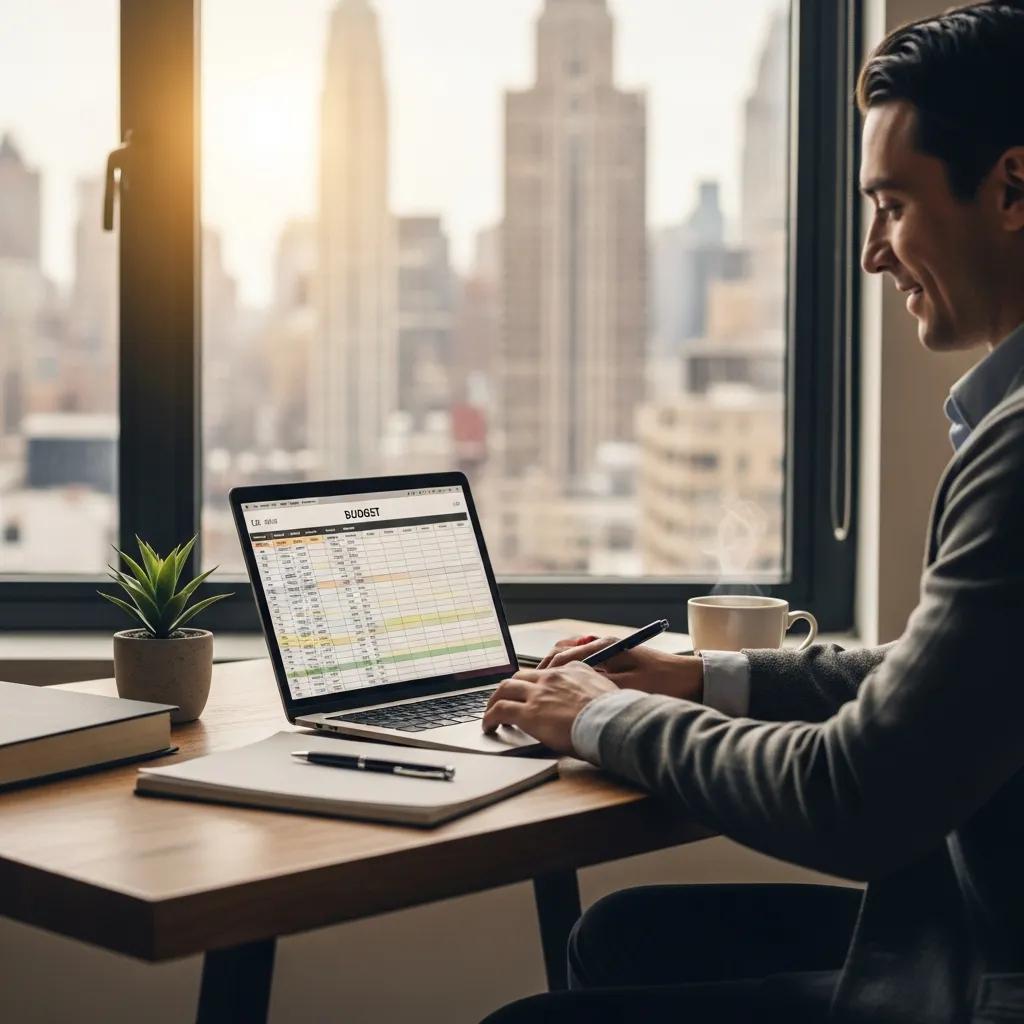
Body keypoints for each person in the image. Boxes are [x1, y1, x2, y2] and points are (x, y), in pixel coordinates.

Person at [481, 3, 1024, 1021]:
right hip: (978, 924)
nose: (871, 253)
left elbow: (856, 797)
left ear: (1010, 188)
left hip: (989, 974)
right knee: (623, 934)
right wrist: (699, 674)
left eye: (892, 206)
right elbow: (938, 684)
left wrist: (601, 714)